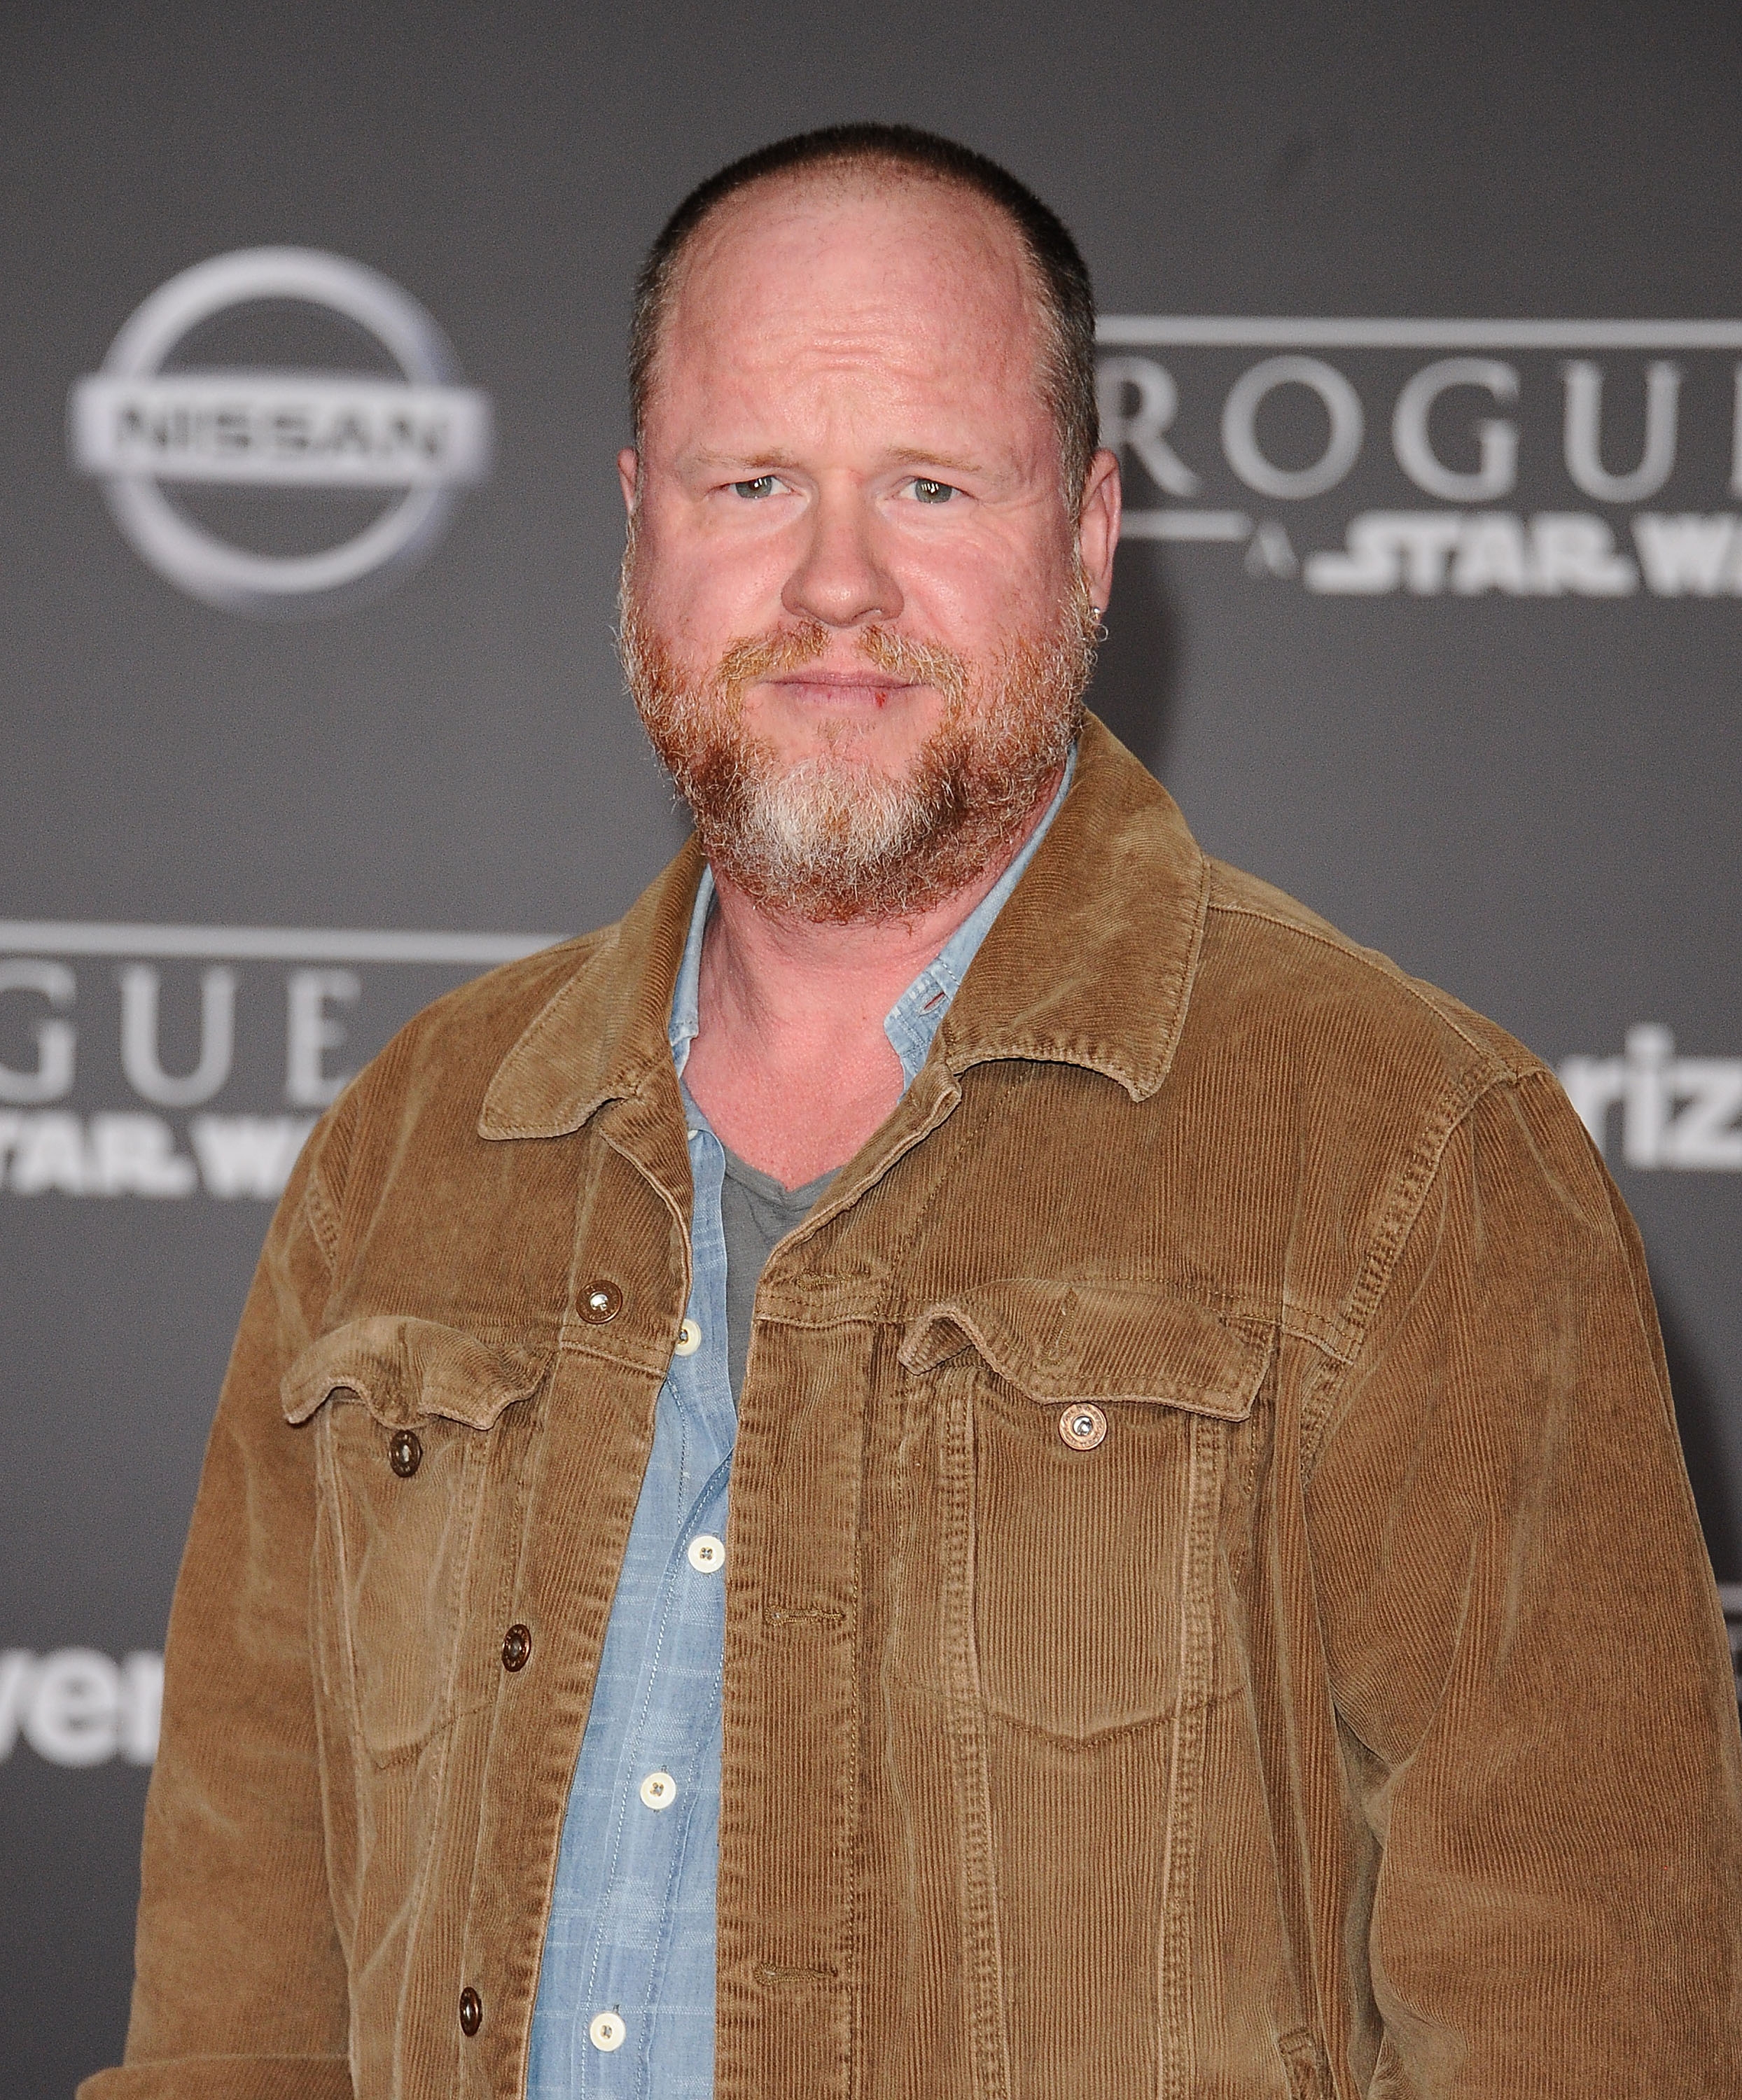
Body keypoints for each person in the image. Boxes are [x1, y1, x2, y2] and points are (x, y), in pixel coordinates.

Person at [85, 124, 1741, 2100]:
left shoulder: (1414, 1149)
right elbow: (239, 1997)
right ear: (639, 524)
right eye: (753, 482)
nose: (836, 581)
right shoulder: (414, 1144)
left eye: (932, 484)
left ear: (1091, 536)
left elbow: (1585, 2019)